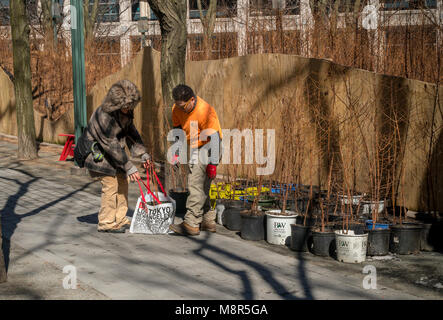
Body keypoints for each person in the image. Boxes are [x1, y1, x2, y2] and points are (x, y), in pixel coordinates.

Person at [81, 80, 151, 233]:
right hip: (98, 155)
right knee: (111, 185)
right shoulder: (103, 116)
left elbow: (132, 134)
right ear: (117, 104)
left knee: (123, 181)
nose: (129, 109)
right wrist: (129, 166)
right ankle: (106, 222)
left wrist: (143, 153)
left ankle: (120, 217)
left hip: (115, 156)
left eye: (131, 106)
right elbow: (110, 144)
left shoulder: (124, 113)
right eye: (127, 106)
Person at [169, 84, 223, 236]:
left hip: (211, 146)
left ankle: (191, 223)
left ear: (192, 100)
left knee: (195, 184)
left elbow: (215, 139)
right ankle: (208, 220)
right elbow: (178, 131)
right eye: (178, 106)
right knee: (204, 185)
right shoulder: (176, 108)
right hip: (195, 145)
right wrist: (176, 152)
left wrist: (212, 163)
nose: (180, 109)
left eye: (183, 106)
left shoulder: (205, 111)